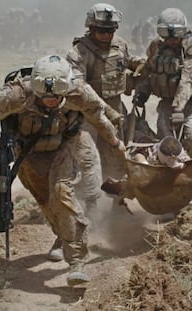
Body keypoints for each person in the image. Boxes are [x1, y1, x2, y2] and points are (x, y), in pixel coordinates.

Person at [0, 55, 125, 286]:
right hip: (28, 153)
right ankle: (63, 236)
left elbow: (98, 116)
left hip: (64, 146)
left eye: (57, 95)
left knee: (62, 194)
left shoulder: (78, 92)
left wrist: (115, 143)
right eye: (45, 95)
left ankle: (76, 262)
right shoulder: (15, 95)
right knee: (46, 201)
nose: (51, 100)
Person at [133, 8, 192, 223]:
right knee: (166, 147)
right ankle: (173, 196)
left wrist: (179, 108)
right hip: (168, 103)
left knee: (191, 137)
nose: (170, 40)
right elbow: (148, 71)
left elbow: (189, 78)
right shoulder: (156, 47)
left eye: (175, 35)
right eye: (166, 35)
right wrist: (142, 92)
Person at [66, 3, 146, 186]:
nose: (107, 35)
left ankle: (116, 201)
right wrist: (105, 110)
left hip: (116, 107)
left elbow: (125, 61)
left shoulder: (119, 44)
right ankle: (86, 199)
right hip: (88, 113)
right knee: (87, 156)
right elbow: (78, 86)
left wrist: (139, 64)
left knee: (117, 156)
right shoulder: (79, 52)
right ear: (91, 28)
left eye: (110, 31)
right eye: (102, 31)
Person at [101, 135, 190, 197]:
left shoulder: (182, 157)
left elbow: (191, 170)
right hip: (147, 177)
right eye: (168, 164)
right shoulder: (150, 154)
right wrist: (144, 165)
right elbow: (138, 156)